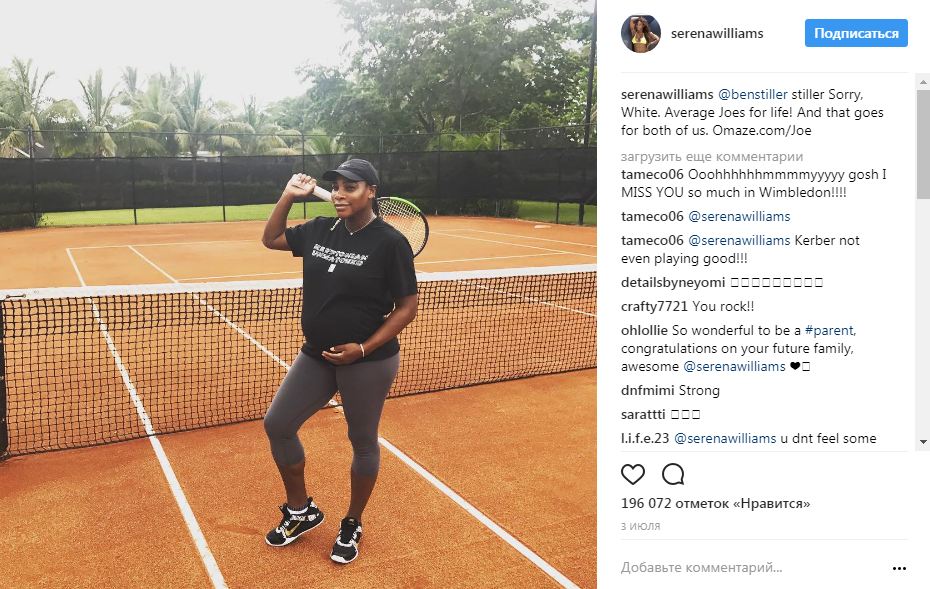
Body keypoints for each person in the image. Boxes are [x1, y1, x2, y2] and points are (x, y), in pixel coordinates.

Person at [260, 158, 418, 564]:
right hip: (317, 354)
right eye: (336, 187)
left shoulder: (390, 243)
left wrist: (363, 348)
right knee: (278, 424)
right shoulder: (319, 229)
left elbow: (407, 307)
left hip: (368, 361)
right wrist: (288, 195)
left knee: (362, 441)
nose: (340, 194)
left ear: (371, 192)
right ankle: (301, 511)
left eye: (351, 187)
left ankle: (352, 522)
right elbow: (271, 239)